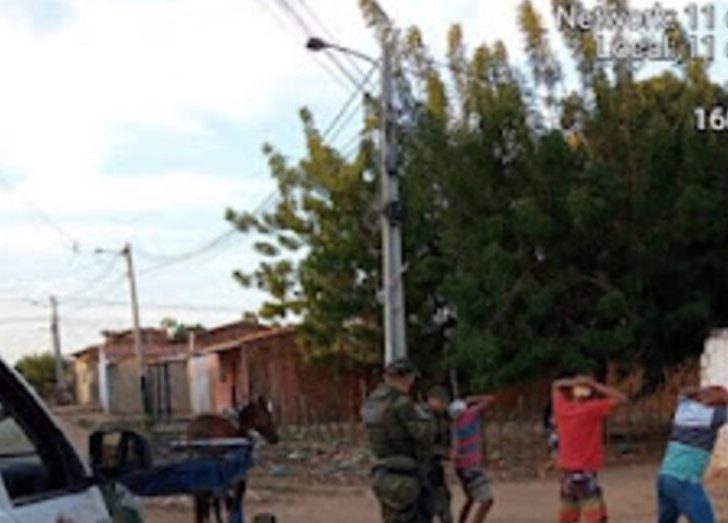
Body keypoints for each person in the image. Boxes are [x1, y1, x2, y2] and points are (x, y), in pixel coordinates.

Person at [362, 358, 433, 523]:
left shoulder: (372, 402)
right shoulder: (402, 404)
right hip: (405, 474)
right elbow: (425, 435)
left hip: (382, 473)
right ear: (406, 378)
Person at [552, 374, 627, 523]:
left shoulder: (562, 409)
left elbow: (556, 385)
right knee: (595, 515)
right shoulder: (593, 409)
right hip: (586, 470)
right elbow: (622, 399)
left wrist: (574, 382)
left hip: (567, 471)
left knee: (569, 514)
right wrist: (596, 385)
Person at [657, 385, 728, 523]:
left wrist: (701, 392)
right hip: (685, 480)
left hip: (665, 476)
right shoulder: (713, 416)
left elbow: (684, 392)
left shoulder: (683, 408)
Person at [449, 393, 496, 523]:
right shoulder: (470, 415)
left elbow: (453, 452)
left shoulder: (454, 425)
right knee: (487, 500)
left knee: (470, 498)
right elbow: (490, 399)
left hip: (461, 467)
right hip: (471, 466)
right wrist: (473, 399)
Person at [424, 385, 454, 523]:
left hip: (435, 465)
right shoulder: (424, 417)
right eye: (441, 401)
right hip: (423, 466)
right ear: (431, 400)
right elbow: (424, 444)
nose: (443, 405)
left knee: (443, 498)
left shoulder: (443, 417)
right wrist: (446, 453)